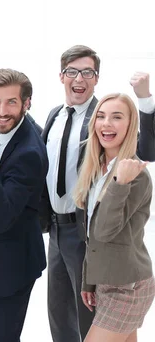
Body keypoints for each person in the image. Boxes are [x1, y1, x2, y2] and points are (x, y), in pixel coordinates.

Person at [42, 45, 155, 342]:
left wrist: (144, 98)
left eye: (87, 72)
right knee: (58, 312)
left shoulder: (129, 170)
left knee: (87, 325)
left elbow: (148, 150)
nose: (106, 123)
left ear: (96, 78)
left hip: (118, 274)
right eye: (71, 71)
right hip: (59, 232)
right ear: (61, 76)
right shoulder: (58, 119)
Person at [73, 93, 154, 342]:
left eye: (116, 117)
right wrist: (89, 281)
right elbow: (91, 237)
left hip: (127, 287)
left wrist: (120, 183)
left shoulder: (135, 174)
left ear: (130, 125)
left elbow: (105, 231)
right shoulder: (96, 168)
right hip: (107, 283)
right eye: (101, 116)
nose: (106, 124)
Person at [0, 69, 48, 342]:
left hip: (14, 264)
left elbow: (3, 217)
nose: (2, 111)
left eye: (11, 102)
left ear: (27, 103)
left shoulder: (29, 152)